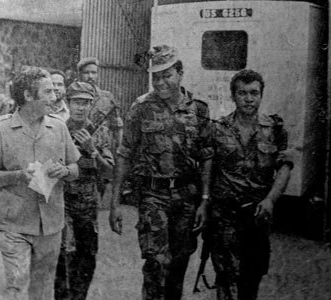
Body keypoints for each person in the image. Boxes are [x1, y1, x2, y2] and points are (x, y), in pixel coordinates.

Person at [109, 45, 213, 300]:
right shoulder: (141, 107)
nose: (160, 82)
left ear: (180, 73)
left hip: (187, 197)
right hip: (153, 196)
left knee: (179, 265)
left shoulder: (198, 110)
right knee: (156, 264)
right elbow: (125, 154)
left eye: (167, 75)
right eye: (155, 77)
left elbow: (207, 156)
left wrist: (205, 200)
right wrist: (114, 203)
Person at [0, 67, 80, 300]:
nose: (54, 97)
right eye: (47, 92)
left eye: (54, 91)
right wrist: (17, 175)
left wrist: (65, 170)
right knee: (17, 284)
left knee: (43, 288)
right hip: (15, 223)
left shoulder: (58, 127)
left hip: (51, 223)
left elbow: (76, 169)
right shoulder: (1, 130)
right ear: (28, 96)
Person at [204, 70, 293, 300]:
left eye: (254, 93)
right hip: (224, 217)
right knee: (226, 279)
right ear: (233, 96)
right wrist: (204, 202)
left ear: (261, 96)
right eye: (242, 93)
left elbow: (285, 167)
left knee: (251, 280)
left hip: (257, 217)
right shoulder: (218, 128)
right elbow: (208, 167)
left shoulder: (275, 130)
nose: (248, 99)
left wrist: (270, 200)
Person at [54, 82, 114, 300]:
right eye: (76, 102)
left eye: (86, 103)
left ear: (91, 105)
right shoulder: (56, 129)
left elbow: (109, 172)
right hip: (62, 202)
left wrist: (92, 151)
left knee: (87, 256)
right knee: (64, 255)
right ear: (68, 103)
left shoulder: (101, 132)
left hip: (88, 206)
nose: (80, 108)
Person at [78, 57, 123, 207]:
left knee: (96, 198)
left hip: (100, 152)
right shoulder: (74, 96)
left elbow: (117, 126)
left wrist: (119, 152)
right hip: (79, 152)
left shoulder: (107, 98)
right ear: (80, 75)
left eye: (94, 73)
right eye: (86, 73)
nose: (90, 76)